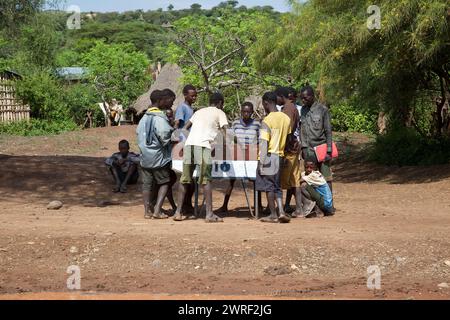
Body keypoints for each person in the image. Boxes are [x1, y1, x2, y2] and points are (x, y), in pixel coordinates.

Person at [174, 92, 229, 223]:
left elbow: (185, 128)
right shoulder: (219, 112)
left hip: (189, 145)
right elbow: (226, 130)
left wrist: (192, 139)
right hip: (203, 146)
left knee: (184, 179)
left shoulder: (199, 112)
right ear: (220, 103)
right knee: (206, 180)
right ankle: (209, 214)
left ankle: (178, 212)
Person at [137, 89, 175, 219]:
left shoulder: (144, 118)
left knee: (147, 185)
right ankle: (157, 210)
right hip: (158, 157)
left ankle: (147, 211)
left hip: (145, 158)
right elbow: (165, 136)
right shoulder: (159, 118)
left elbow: (138, 135)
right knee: (164, 182)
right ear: (160, 101)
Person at [216, 102, 261, 214]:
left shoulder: (256, 124)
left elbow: (260, 139)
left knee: (255, 180)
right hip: (237, 155)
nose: (246, 114)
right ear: (241, 112)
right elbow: (231, 137)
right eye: (244, 111)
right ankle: (224, 205)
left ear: (252, 112)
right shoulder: (236, 123)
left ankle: (258, 205)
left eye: (249, 112)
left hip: (251, 155)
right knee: (232, 180)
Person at [256, 92, 292, 223]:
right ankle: (281, 212)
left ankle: (273, 214)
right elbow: (289, 139)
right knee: (277, 186)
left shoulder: (267, 120)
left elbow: (264, 142)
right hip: (280, 155)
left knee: (269, 187)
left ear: (266, 103)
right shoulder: (286, 118)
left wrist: (262, 161)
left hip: (269, 155)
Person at [299, 85, 335, 215]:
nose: (303, 100)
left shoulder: (322, 110)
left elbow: (328, 131)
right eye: (302, 98)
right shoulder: (303, 110)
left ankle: (329, 206)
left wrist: (329, 150)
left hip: (322, 148)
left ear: (312, 96)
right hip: (308, 150)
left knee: (326, 179)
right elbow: (302, 130)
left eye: (305, 98)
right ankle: (315, 207)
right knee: (310, 179)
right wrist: (303, 147)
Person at [275, 87, 304, 218]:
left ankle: (280, 210)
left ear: (281, 96)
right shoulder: (292, 107)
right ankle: (299, 209)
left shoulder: (287, 109)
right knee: (295, 179)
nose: (276, 100)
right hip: (294, 148)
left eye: (277, 97)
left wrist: (283, 146)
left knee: (280, 180)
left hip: (288, 149)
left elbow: (288, 129)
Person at [174, 84, 198, 214]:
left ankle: (187, 204)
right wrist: (179, 144)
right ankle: (184, 205)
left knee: (191, 181)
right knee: (186, 179)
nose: (194, 97)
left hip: (190, 143)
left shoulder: (191, 108)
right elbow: (178, 124)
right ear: (185, 95)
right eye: (192, 95)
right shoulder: (182, 108)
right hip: (184, 144)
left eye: (195, 95)